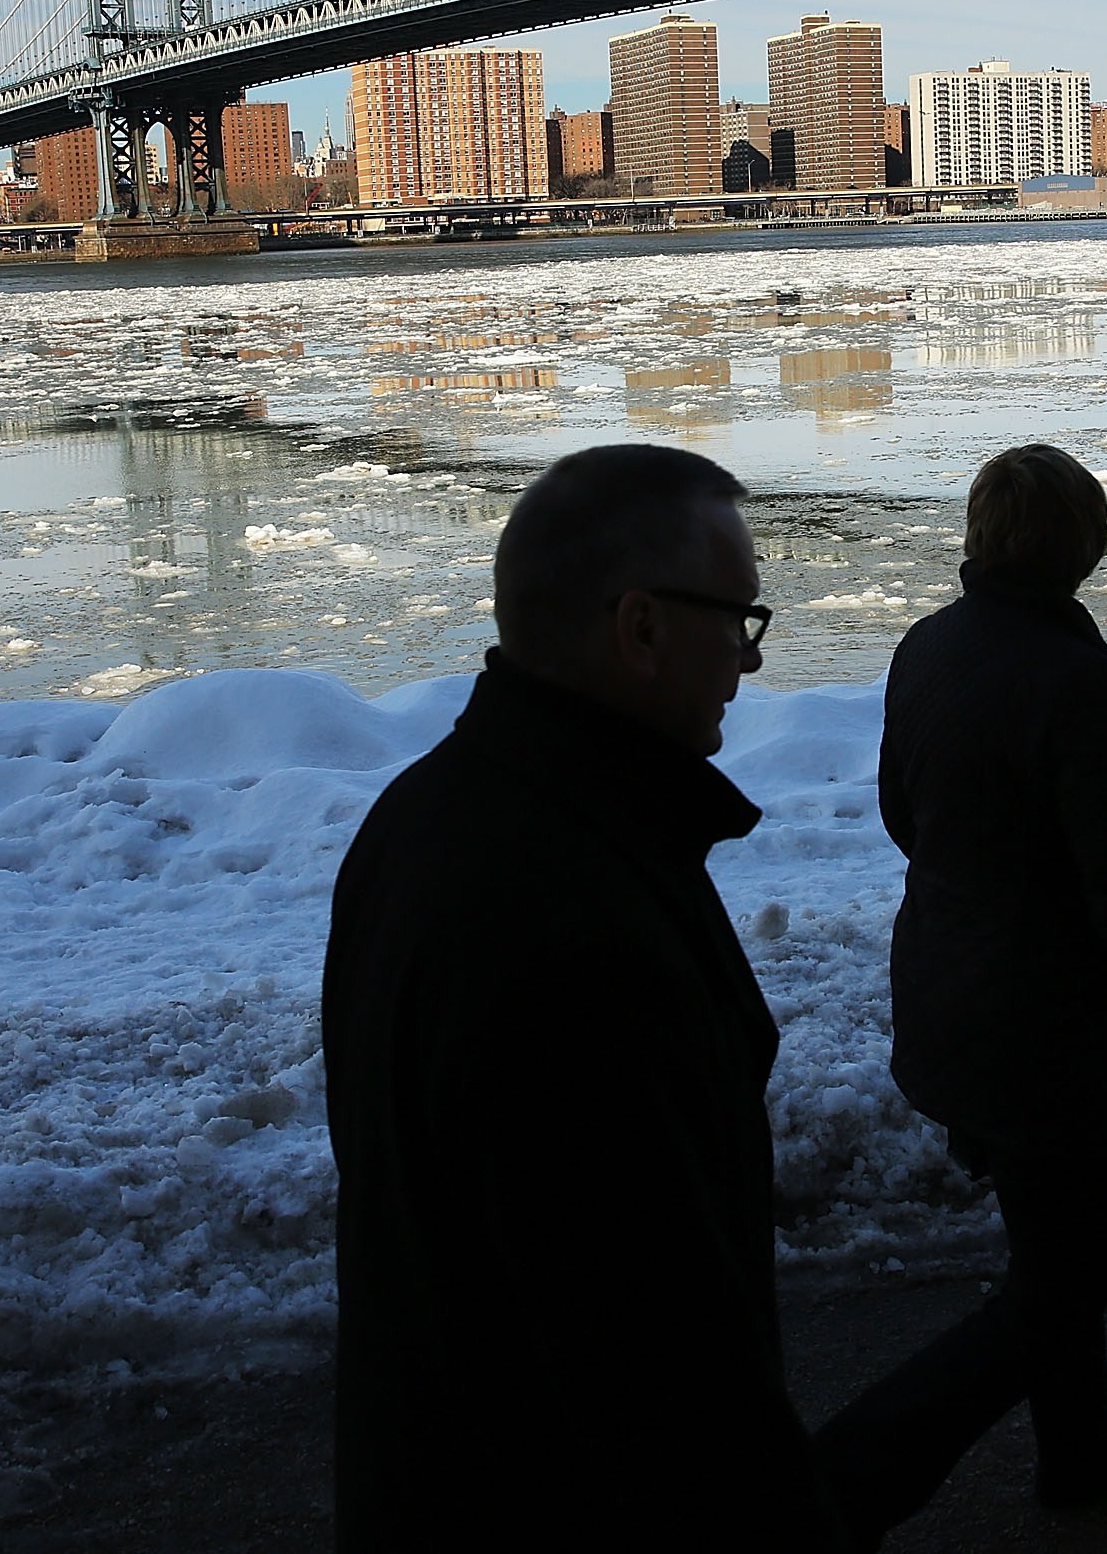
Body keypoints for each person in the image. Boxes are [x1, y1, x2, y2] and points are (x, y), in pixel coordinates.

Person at [322, 444, 847, 1551]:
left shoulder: (426, 816)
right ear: (643, 627)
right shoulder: (567, 914)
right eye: (740, 622)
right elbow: (645, 1348)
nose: (749, 665)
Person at [815, 442, 1107, 1537]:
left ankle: (1080, 1446)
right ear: (1085, 544)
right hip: (1052, 1027)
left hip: (949, 989)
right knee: (1066, 1280)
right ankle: (844, 1476)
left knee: (1050, 1251)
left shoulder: (926, 645)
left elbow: (902, 812)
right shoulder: (1077, 679)